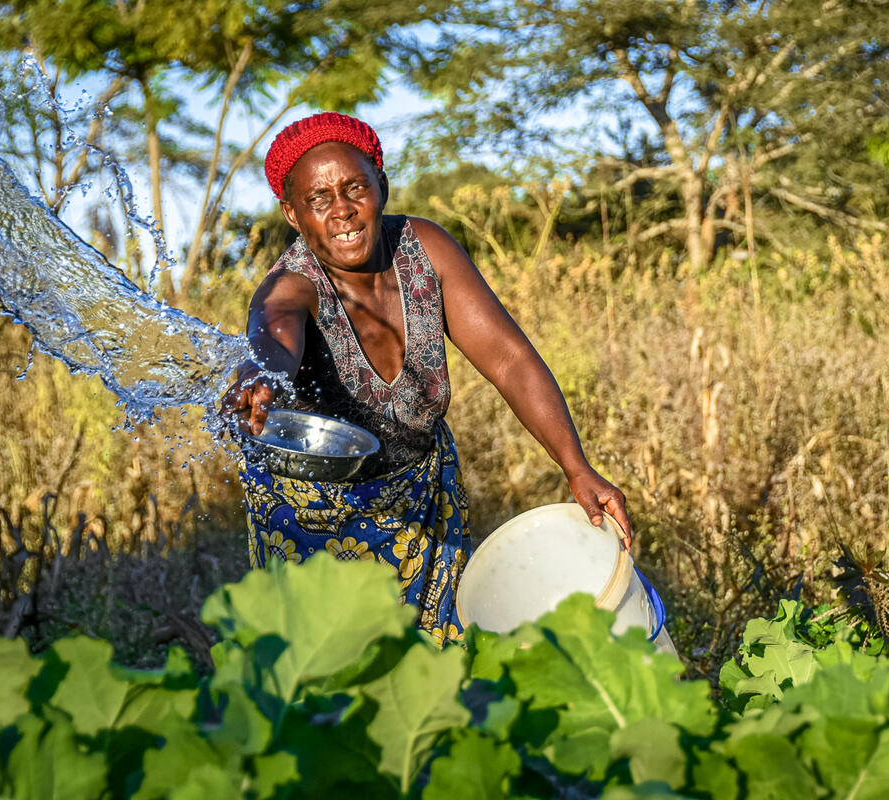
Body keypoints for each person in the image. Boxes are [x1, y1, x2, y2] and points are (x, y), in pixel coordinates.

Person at [221, 112, 630, 646]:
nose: (342, 211)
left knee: (440, 673)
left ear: (381, 187)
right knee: (333, 677)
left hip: (424, 501)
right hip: (319, 521)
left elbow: (508, 360)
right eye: (318, 200)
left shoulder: (425, 248)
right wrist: (261, 372)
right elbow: (272, 331)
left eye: (354, 189)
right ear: (293, 214)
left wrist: (577, 468)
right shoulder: (294, 284)